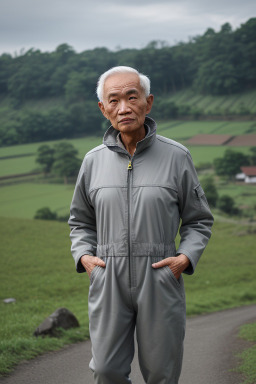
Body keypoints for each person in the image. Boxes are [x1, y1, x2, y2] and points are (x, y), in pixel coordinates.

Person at [68, 66, 214, 384]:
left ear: (148, 103)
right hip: (108, 277)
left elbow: (199, 219)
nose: (124, 107)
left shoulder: (177, 157)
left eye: (132, 97)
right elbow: (80, 221)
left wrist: (185, 258)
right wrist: (84, 257)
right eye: (114, 100)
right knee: (106, 370)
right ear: (103, 108)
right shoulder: (92, 162)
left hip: (160, 276)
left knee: (162, 373)